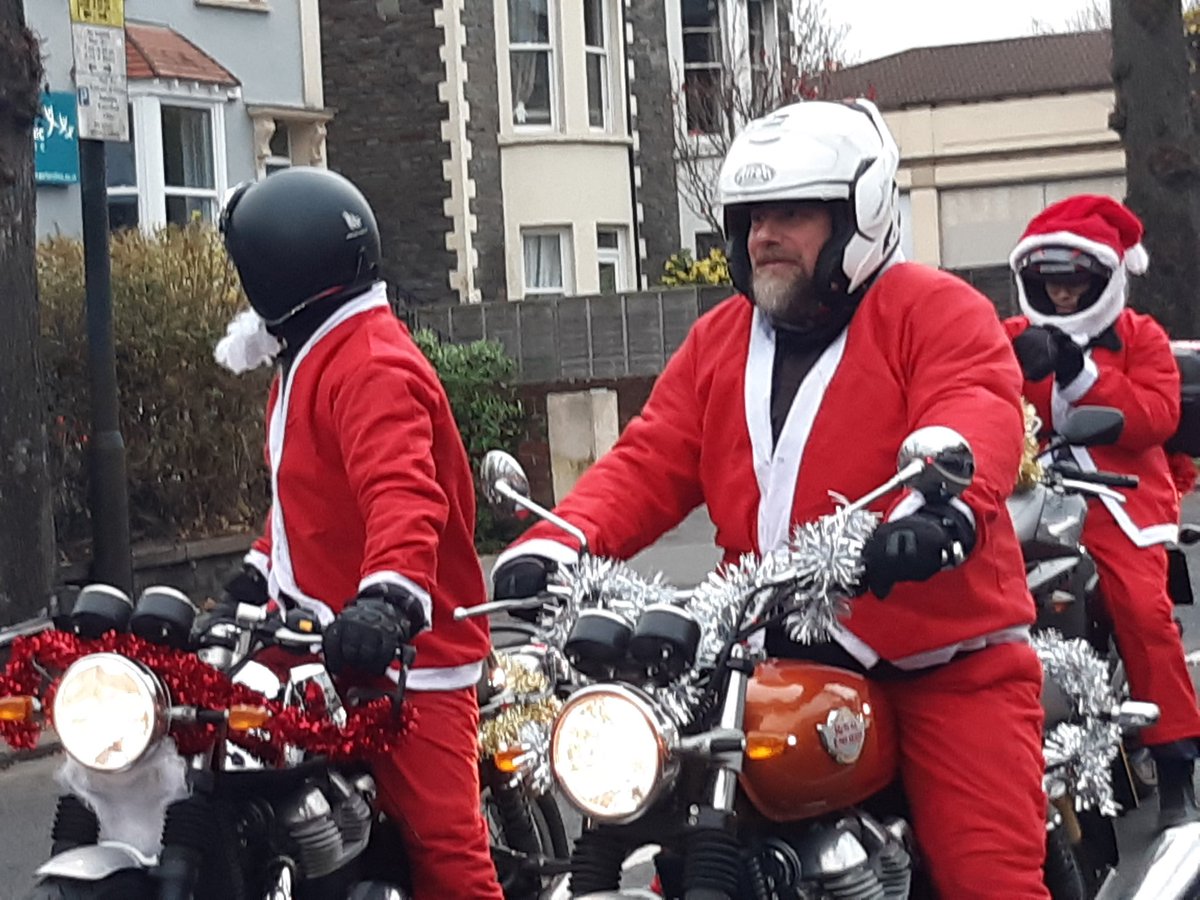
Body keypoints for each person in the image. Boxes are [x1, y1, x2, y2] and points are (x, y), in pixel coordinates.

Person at [493, 99, 1048, 898]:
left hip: (935, 666)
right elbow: (649, 458)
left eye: (792, 214)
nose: (764, 236)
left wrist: (938, 515)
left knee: (987, 880)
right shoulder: (720, 339)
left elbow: (974, 408)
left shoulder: (933, 310)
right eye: (751, 217)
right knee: (673, 831)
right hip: (763, 666)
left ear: (859, 218)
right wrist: (557, 541)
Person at [213, 167, 501, 898]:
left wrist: (391, 600)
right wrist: (256, 571)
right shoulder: (311, 356)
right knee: (215, 760)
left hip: (413, 654)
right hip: (315, 642)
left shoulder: (369, 362)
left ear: (282, 273)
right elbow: (311, 497)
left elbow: (403, 493)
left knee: (445, 842)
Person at [1004, 194, 1200, 829]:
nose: (1061, 295)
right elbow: (967, 389)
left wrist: (1077, 370)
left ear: (1104, 278)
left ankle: (1176, 766)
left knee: (1143, 613)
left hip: (1118, 499)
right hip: (1024, 495)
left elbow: (1156, 417)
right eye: (1049, 282)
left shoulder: (1141, 338)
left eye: (1075, 281)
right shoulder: (1008, 338)